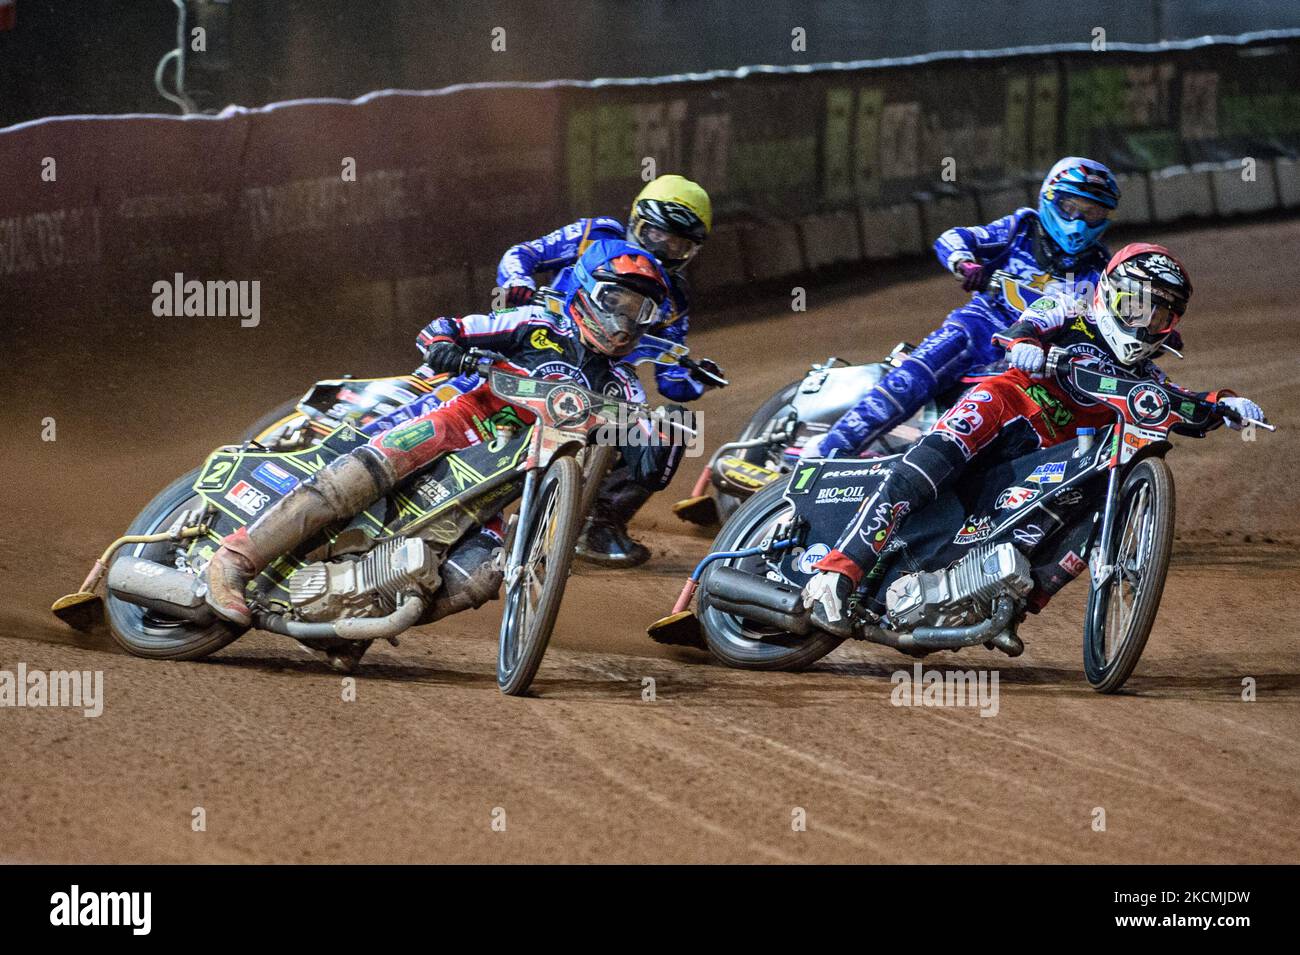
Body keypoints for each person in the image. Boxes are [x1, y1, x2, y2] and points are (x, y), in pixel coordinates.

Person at [202, 241, 691, 627]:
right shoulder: (536, 323)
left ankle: (364, 617)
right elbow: (443, 329)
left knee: (483, 577)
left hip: (508, 489)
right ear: (586, 291)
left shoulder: (623, 386)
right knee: (364, 473)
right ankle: (235, 561)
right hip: (458, 427)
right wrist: (446, 349)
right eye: (617, 301)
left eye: (641, 310)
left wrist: (661, 439)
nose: (626, 319)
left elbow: (645, 462)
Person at [800, 243, 1267, 634]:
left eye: (1159, 313)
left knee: (1091, 502)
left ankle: (1004, 606)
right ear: (1109, 293)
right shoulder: (1073, 305)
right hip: (1007, 405)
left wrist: (1225, 403)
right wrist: (1026, 341)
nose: (1144, 321)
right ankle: (838, 571)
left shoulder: (1148, 374)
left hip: (1049, 456)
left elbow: (1183, 398)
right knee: (926, 466)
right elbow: (1033, 320)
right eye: (1136, 304)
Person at [802, 156, 1122, 461]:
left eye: (1091, 213)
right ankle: (832, 446)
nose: (1078, 221)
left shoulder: (1101, 270)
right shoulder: (1021, 229)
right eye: (1070, 208)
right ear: (1050, 200)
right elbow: (954, 237)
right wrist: (962, 261)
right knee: (915, 375)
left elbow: (1113, 324)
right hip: (981, 329)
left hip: (1028, 360)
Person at [496, 174, 724, 565]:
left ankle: (599, 523)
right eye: (656, 236)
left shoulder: (676, 297)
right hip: (540, 347)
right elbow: (523, 253)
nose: (664, 250)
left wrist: (694, 379)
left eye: (679, 245)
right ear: (636, 223)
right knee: (469, 384)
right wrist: (517, 284)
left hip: (605, 381)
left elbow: (671, 379)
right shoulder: (593, 234)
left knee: (670, 429)